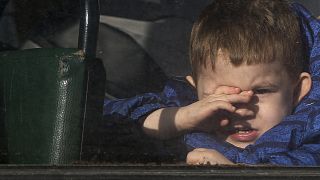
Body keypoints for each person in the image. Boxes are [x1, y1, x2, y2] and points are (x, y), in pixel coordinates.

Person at [104, 0, 320, 165]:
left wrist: (234, 174)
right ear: (194, 88)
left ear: (298, 90)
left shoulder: (310, 134)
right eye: (222, 94)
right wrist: (182, 119)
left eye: (261, 90)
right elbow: (108, 120)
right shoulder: (183, 108)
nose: (241, 109)